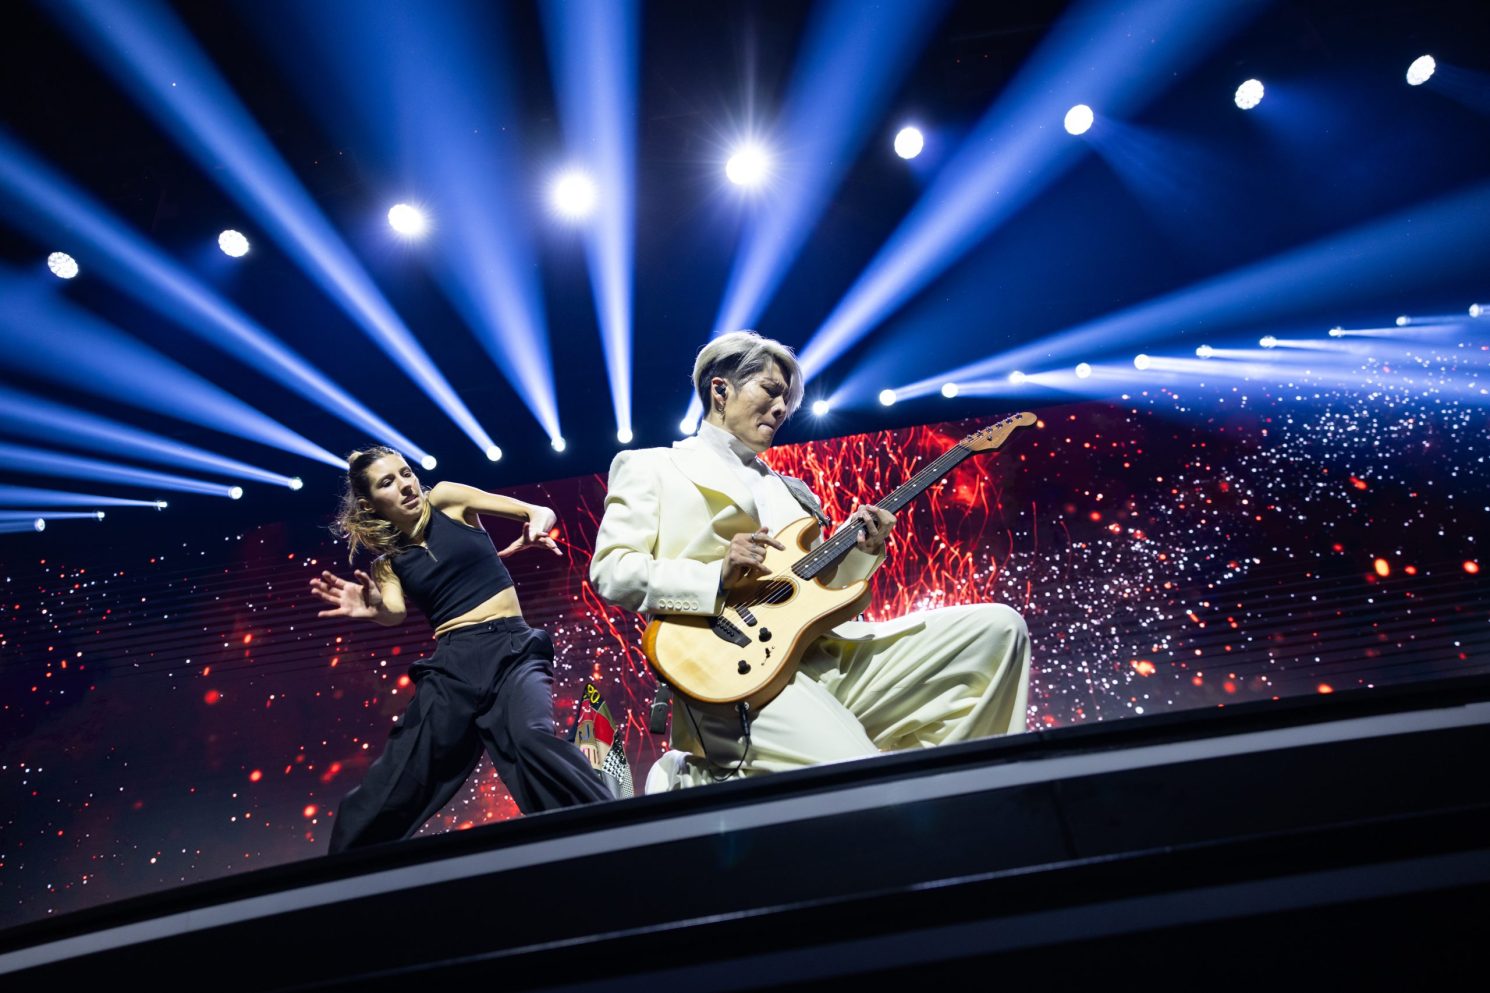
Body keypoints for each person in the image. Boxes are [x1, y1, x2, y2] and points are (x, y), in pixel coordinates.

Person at [590, 331, 1031, 790]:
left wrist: (864, 550)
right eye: (770, 391)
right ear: (720, 390)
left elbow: (815, 590)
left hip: (825, 653)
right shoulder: (652, 467)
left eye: (787, 400)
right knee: (858, 775)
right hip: (737, 675)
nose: (782, 409)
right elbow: (612, 571)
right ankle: (695, 776)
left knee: (998, 631)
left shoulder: (794, 491)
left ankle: (965, 795)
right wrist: (716, 573)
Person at [311, 446, 612, 853]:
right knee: (401, 774)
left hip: (513, 649)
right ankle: (341, 874)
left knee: (530, 739)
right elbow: (394, 612)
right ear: (371, 504)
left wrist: (537, 525)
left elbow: (537, 511)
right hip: (455, 665)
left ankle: (611, 829)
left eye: (405, 473)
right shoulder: (389, 562)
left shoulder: (447, 499)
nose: (404, 486)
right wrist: (372, 607)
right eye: (388, 483)